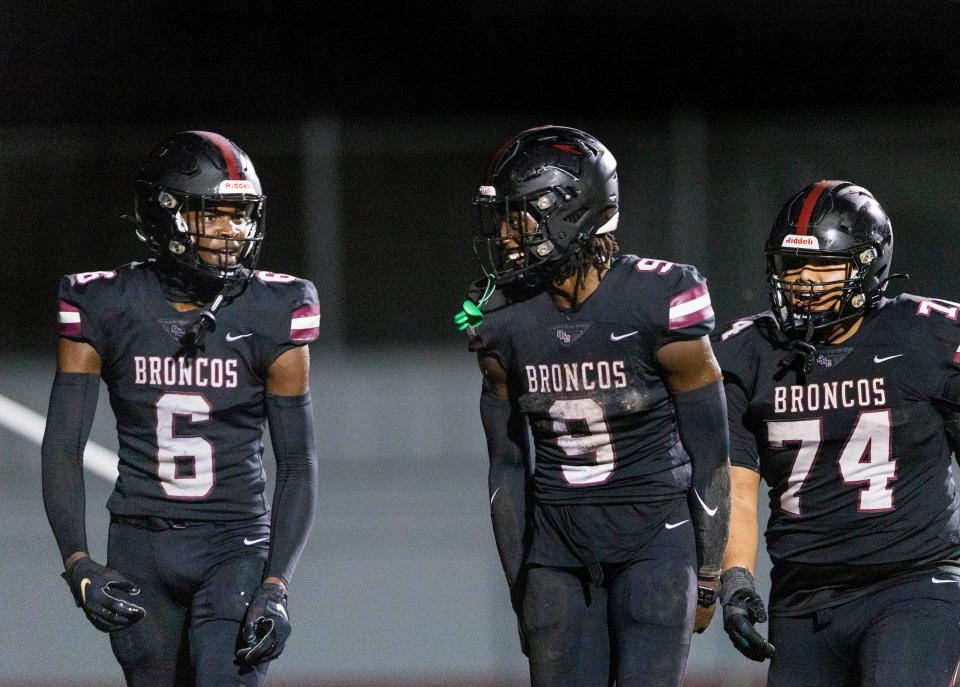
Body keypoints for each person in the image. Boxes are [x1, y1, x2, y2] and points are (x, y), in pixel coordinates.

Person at [41, 130, 320, 686]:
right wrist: (77, 563)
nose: (231, 232)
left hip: (234, 543)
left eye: (240, 216)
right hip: (140, 541)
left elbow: (297, 463)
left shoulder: (275, 309)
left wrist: (276, 585)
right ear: (165, 214)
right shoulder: (105, 303)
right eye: (213, 214)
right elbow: (63, 446)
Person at [457, 125, 731, 686]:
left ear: (572, 212)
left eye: (520, 216)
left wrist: (708, 569)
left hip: (654, 538)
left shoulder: (658, 301)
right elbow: (507, 466)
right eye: (504, 218)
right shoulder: (500, 321)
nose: (507, 235)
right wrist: (522, 578)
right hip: (557, 549)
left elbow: (711, 451)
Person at [713, 180, 960, 685]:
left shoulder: (926, 335)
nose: (803, 281)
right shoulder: (750, 350)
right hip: (803, 595)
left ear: (868, 266)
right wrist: (735, 579)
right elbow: (737, 482)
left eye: (823, 266)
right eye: (793, 266)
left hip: (911, 583)